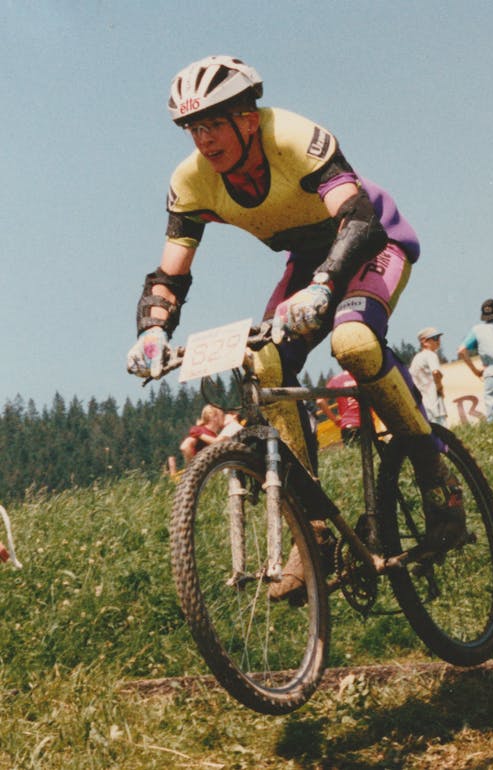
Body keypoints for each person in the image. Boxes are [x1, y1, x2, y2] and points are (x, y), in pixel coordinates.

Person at [127, 55, 465, 598]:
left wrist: (326, 283)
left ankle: (435, 474)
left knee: (353, 341)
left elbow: (356, 218)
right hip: (309, 259)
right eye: (193, 127)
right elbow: (168, 276)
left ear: (246, 117)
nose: (204, 139)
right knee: (265, 363)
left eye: (214, 123)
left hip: (370, 239)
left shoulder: (292, 135)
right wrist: (152, 330)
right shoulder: (191, 181)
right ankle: (315, 530)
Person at [409, 327, 447, 426]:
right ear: (424, 341)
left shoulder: (416, 358)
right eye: (434, 338)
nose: (438, 341)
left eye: (438, 338)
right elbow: (436, 372)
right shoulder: (431, 355)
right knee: (443, 434)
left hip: (422, 404)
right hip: (434, 402)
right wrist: (439, 387)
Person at [316, 370, 361, 445]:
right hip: (368, 423)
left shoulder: (337, 379)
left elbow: (320, 401)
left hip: (348, 424)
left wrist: (334, 419)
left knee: (353, 454)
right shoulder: (364, 376)